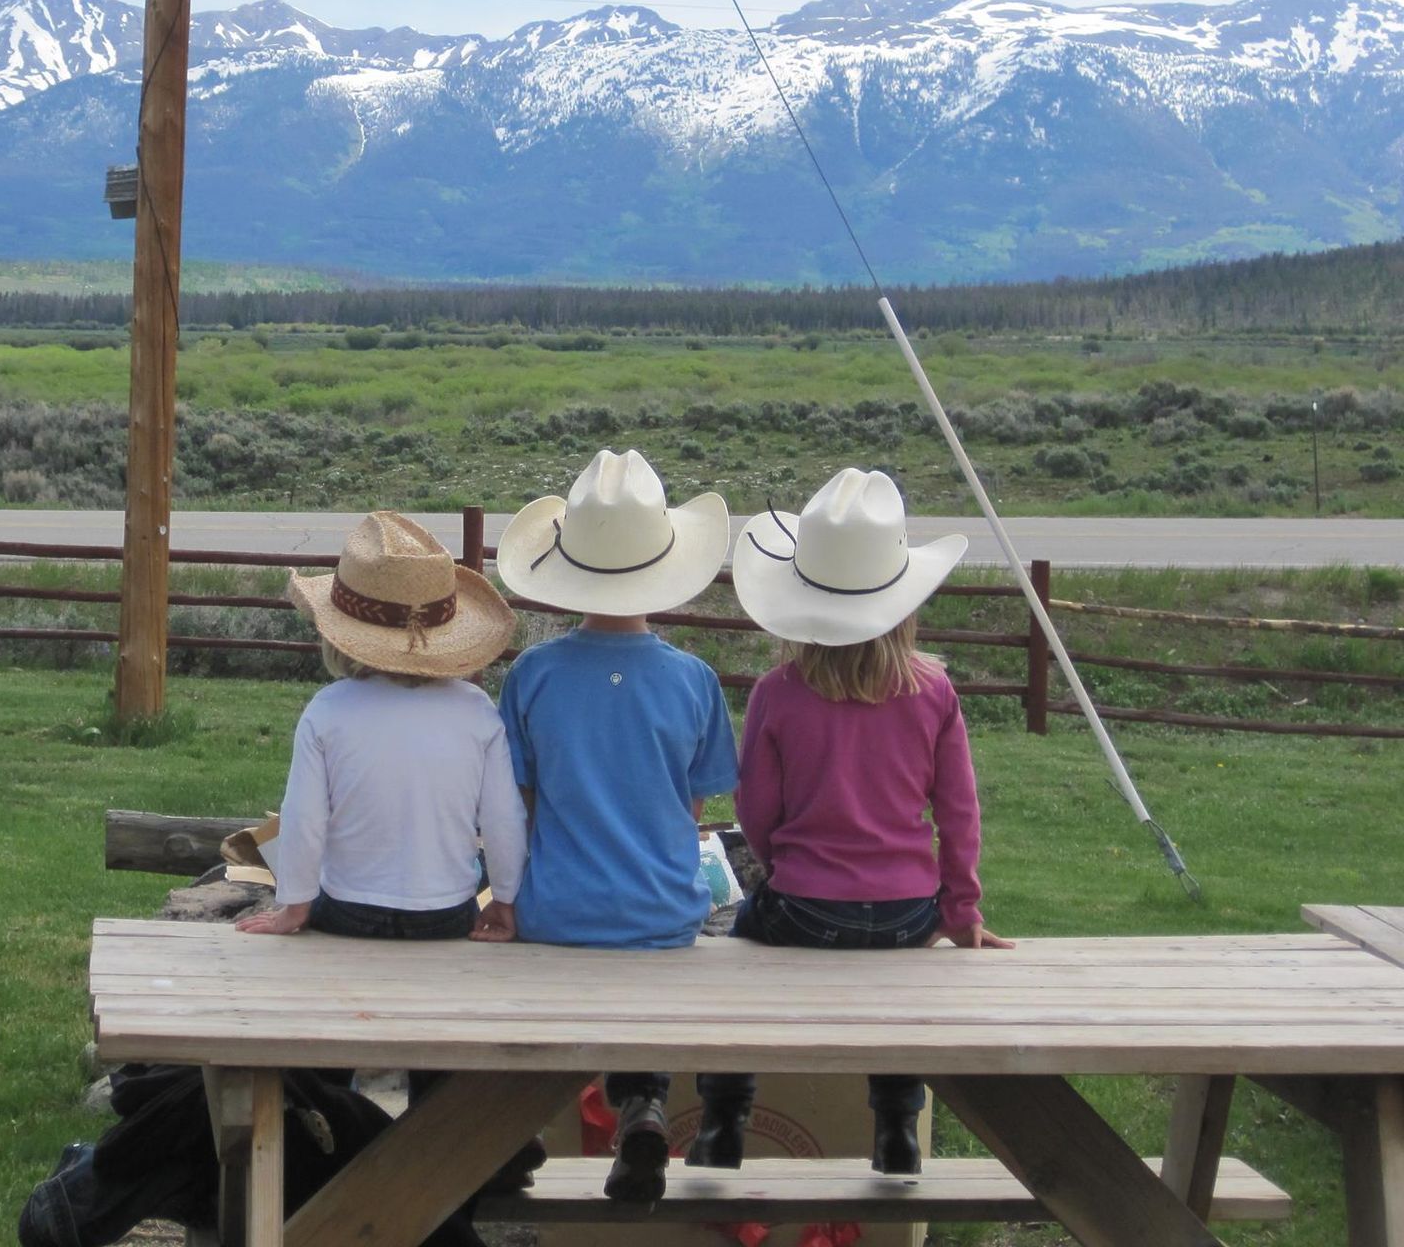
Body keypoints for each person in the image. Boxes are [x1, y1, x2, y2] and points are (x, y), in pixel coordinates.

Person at [713, 467, 1014, 1177]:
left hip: (803, 908)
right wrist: (961, 907)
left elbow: (755, 808)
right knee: (900, 999)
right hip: (910, 911)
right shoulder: (933, 691)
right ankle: (897, 1124)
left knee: (735, 972)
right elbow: (958, 811)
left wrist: (781, 867)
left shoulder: (777, 693)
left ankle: (724, 1115)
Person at [234, 510, 531, 1138]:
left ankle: (326, 1122)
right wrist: (503, 899)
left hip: (348, 910)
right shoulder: (476, 711)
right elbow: (503, 819)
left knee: (327, 1033)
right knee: (439, 1042)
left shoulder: (329, 711)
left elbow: (306, 822)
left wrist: (293, 903)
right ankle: (437, 1140)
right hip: (445, 913)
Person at [493, 448, 737, 1204]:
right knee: (655, 960)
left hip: (555, 908)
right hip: (663, 909)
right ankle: (645, 1103)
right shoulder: (694, 679)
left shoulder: (532, 674)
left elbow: (517, 804)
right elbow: (694, 811)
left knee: (522, 982)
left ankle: (509, 1123)